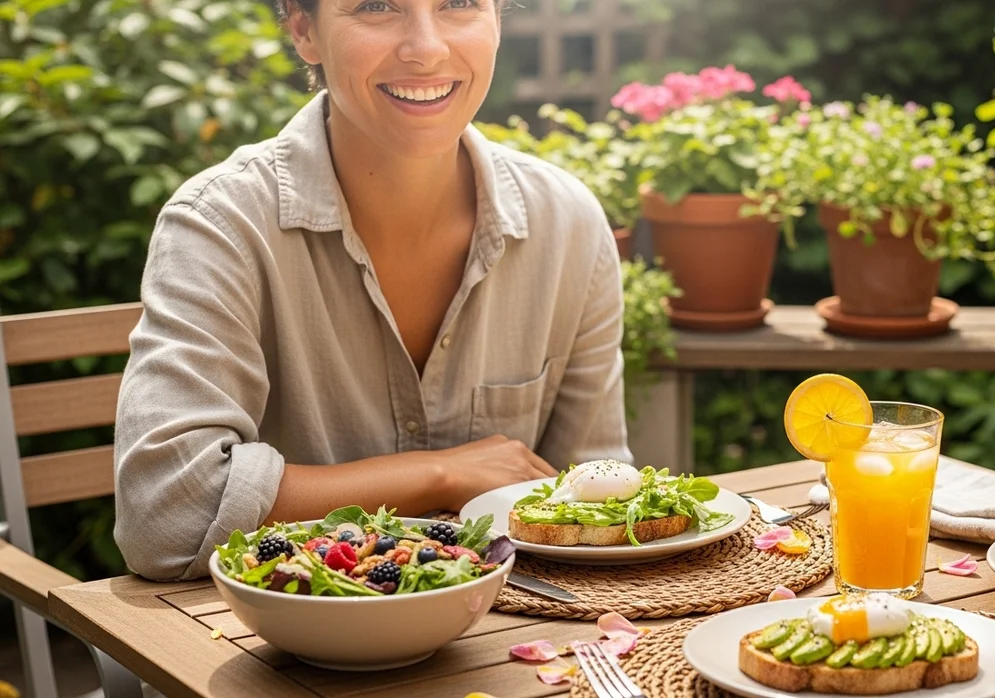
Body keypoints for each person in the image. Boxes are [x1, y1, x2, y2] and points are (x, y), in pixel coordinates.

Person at [113, 0, 631, 581]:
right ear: (304, 29)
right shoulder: (220, 224)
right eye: (376, 6)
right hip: (268, 633)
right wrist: (440, 474)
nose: (426, 48)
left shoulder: (568, 223)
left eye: (459, 3)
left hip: (514, 626)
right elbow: (164, 517)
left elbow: (604, 503)